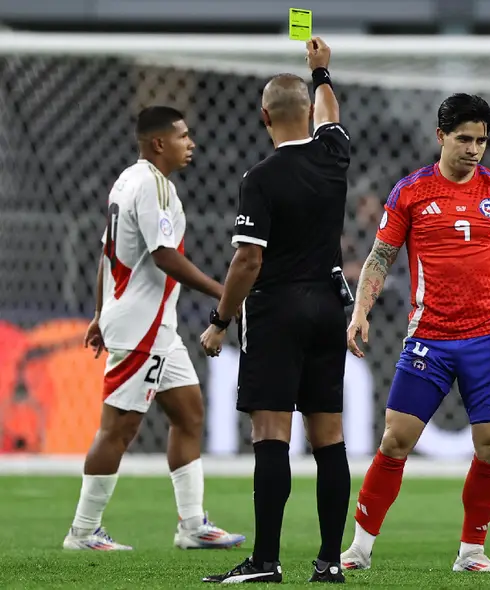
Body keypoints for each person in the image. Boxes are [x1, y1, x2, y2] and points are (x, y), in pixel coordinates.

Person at [339, 93, 490, 574]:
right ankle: (359, 549)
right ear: (441, 137)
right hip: (429, 336)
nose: (474, 149)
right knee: (395, 440)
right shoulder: (410, 191)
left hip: (488, 339)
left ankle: (472, 552)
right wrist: (360, 309)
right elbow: (380, 257)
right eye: (464, 139)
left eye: (482, 141)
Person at [200, 37, 353, 584]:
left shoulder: (260, 178)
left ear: (264, 115)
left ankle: (265, 561)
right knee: (329, 437)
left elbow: (246, 261)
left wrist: (220, 321)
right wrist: (321, 71)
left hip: (278, 309)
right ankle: (330, 561)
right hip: (328, 305)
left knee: (272, 434)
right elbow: (332, 115)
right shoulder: (334, 156)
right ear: (309, 114)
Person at [63, 106, 244, 552]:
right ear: (158, 143)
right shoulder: (152, 186)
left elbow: (109, 255)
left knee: (189, 413)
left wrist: (99, 313)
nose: (192, 144)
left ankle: (192, 525)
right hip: (142, 326)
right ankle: (83, 532)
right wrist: (224, 293)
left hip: (154, 323)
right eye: (183, 137)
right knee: (118, 429)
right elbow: (165, 256)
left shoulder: (127, 180)